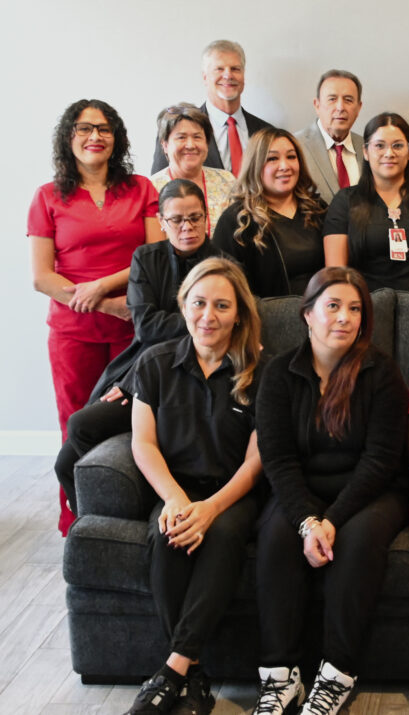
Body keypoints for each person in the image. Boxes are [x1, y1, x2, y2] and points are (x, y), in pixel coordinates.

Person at [253, 267, 409, 715]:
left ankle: (336, 676)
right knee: (275, 538)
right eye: (333, 306)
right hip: (301, 491)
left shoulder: (382, 373)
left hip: (371, 492)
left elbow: (380, 461)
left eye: (355, 309)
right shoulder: (280, 374)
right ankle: (281, 677)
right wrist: (306, 521)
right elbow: (278, 459)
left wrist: (330, 522)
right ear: (307, 314)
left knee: (356, 543)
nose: (344, 318)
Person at [125, 257, 263, 715]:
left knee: (221, 537)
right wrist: (177, 500)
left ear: (239, 313)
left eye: (222, 305)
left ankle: (170, 673)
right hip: (175, 486)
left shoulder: (261, 369)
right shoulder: (154, 363)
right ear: (183, 305)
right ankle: (194, 673)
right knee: (167, 538)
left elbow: (256, 459)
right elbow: (143, 444)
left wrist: (211, 508)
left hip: (234, 491)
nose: (209, 315)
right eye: (199, 303)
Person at [28, 98, 162, 535]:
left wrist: (104, 286)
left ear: (117, 138)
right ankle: (77, 518)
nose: (95, 136)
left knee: (133, 420)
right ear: (69, 139)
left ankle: (130, 508)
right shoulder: (48, 197)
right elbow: (42, 277)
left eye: (104, 129)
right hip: (74, 332)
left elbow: (154, 256)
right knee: (76, 423)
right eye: (84, 129)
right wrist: (104, 303)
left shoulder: (141, 188)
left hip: (134, 329)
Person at [54, 179, 222, 519]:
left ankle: (142, 495)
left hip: (187, 374)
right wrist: (194, 322)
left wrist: (183, 325)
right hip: (142, 366)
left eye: (195, 217)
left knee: (83, 426)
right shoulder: (146, 258)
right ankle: (94, 519)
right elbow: (147, 327)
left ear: (207, 218)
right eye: (177, 220)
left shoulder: (221, 262)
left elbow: (218, 330)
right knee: (65, 460)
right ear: (161, 221)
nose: (187, 227)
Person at [323, 113, 409, 292]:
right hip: (363, 307)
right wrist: (358, 308)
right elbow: (336, 271)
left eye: (398, 146)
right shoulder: (345, 201)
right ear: (366, 152)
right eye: (379, 146)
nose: (389, 153)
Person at [213, 127, 327, 297]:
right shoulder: (236, 220)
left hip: (322, 316)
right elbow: (226, 289)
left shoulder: (318, 208)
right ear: (255, 165)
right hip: (268, 319)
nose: (285, 166)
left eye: (291, 157)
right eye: (272, 158)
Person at [151, 40, 272, 176]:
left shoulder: (268, 132)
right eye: (219, 69)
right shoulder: (176, 129)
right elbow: (160, 187)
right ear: (205, 77)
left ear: (243, 76)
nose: (228, 75)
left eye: (235, 69)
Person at [149, 103, 236, 232]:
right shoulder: (151, 188)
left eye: (197, 137)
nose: (190, 145)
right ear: (165, 145)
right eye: (181, 137)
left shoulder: (227, 181)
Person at [294, 69, 365, 203]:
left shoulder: (368, 147)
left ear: (358, 108)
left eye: (348, 100)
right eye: (332, 99)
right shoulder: (295, 146)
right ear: (317, 105)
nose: (340, 107)